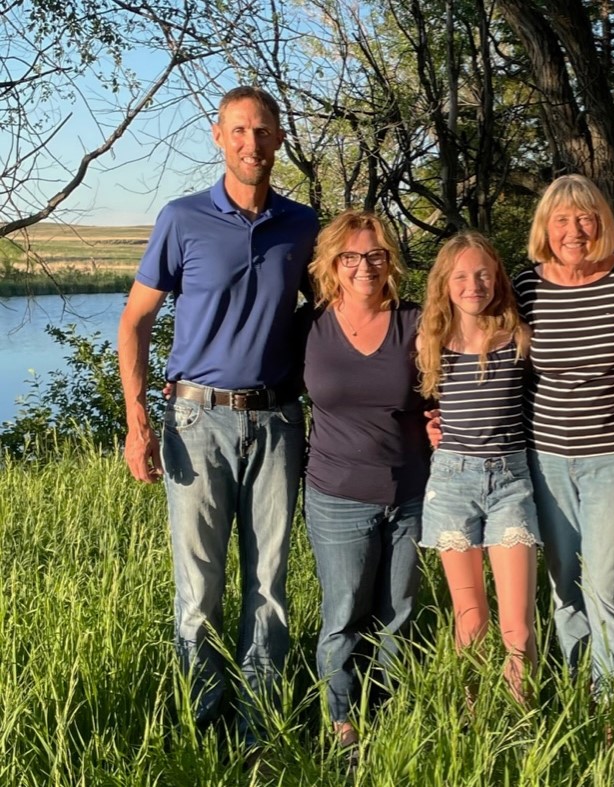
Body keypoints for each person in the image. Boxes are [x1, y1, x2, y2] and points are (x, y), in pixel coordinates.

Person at [118, 86, 319, 751]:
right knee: (198, 585)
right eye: (238, 131)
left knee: (271, 582)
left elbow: (339, 313)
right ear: (217, 136)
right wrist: (137, 420)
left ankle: (257, 725)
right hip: (196, 419)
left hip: (278, 420)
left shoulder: (302, 225)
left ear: (279, 139)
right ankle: (200, 724)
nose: (250, 143)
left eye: (262, 132)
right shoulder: (182, 219)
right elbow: (135, 320)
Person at [513, 174, 614, 699]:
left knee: (607, 582)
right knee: (563, 579)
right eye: (563, 219)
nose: (575, 230)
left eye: (586, 217)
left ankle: (612, 700)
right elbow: (498, 360)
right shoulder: (527, 286)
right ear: (546, 227)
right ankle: (574, 688)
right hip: (545, 453)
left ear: (603, 223)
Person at [301, 209, 430, 754]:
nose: (364, 266)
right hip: (336, 494)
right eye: (351, 256)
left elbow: (447, 387)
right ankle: (343, 725)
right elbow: (261, 375)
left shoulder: (418, 321)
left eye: (374, 254)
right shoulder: (307, 327)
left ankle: (391, 713)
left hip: (411, 492)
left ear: (389, 260)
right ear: (332, 263)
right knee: (344, 614)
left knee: (399, 612)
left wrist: (443, 418)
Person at [417, 231, 541, 704]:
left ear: (498, 279)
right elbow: (409, 404)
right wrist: (427, 426)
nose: (474, 285)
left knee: (518, 626)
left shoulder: (519, 338)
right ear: (445, 283)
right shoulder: (432, 341)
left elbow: (539, 403)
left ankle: (520, 716)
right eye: (462, 276)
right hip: (451, 482)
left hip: (511, 481)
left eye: (484, 274)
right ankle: (470, 718)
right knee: (470, 619)